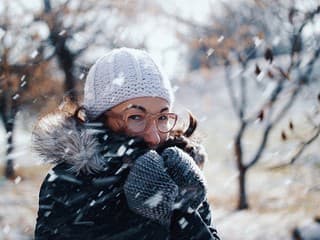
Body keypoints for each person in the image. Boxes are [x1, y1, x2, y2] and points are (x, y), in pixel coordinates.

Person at [33, 47, 220, 240]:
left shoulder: (177, 171)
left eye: (163, 117)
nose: (154, 137)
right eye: (136, 117)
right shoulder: (68, 183)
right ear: (100, 119)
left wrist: (181, 211)